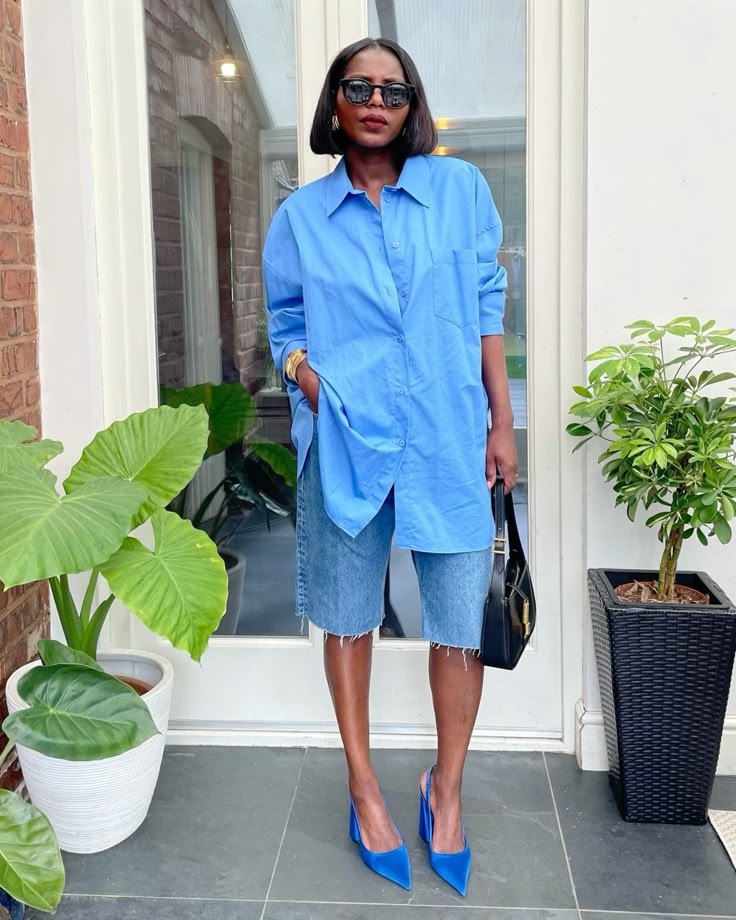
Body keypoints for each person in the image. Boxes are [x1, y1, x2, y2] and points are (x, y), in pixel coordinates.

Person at [263, 37, 518, 897]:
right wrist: (304, 374)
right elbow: (283, 322)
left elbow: (487, 305)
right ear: (335, 102)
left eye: (394, 88)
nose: (376, 100)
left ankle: (443, 789)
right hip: (345, 435)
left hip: (447, 435)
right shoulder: (299, 216)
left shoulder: (460, 191)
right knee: (346, 618)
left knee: (455, 622)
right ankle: (363, 785)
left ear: (414, 105)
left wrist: (501, 422)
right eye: (358, 86)